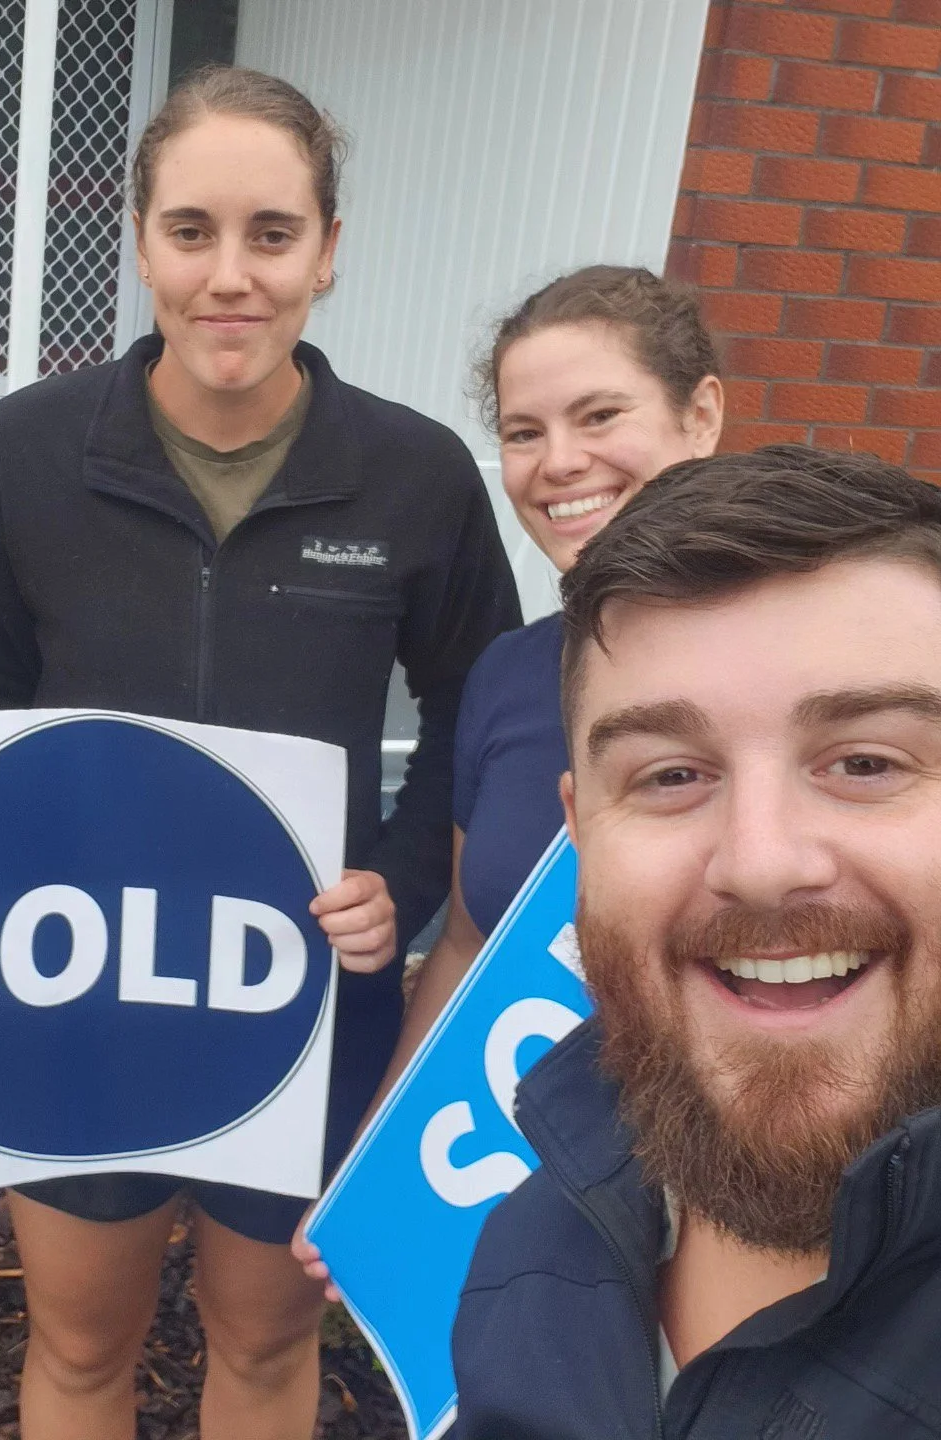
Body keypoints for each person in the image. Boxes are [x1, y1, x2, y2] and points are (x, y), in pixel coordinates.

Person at [0, 65, 519, 1440]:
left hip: (304, 993)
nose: (231, 275)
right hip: (74, 979)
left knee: (262, 1349)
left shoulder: (416, 473)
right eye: (192, 230)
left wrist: (399, 876)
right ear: (143, 243)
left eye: (272, 234)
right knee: (81, 1351)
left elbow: (477, 706)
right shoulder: (33, 449)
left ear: (328, 252)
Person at [451, 445, 941, 1436]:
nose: (760, 863)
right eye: (670, 776)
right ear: (580, 829)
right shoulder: (537, 1238)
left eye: (864, 760)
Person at [296, 264, 723, 1290]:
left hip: (731, 1213)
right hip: (517, 1200)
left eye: (600, 414)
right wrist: (384, 1151)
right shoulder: (511, 675)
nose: (558, 462)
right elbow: (469, 948)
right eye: (526, 432)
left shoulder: (814, 658)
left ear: (700, 412)